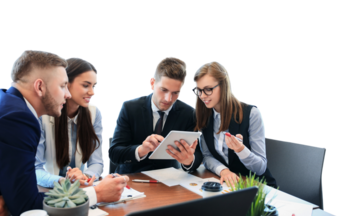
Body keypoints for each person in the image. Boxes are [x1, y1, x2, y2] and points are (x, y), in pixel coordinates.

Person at [0, 49, 128, 216]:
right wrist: (96, 193)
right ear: (40, 87)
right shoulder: (18, 118)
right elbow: (28, 209)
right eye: (62, 86)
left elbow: (17, 191)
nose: (66, 95)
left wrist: (9, 199)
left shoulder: (5, 103)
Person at [109, 55, 203, 174]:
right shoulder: (130, 108)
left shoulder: (189, 113)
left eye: (175, 93)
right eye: (164, 90)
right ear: (152, 83)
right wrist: (141, 150)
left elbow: (198, 154)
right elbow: (114, 153)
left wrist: (189, 161)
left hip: (169, 180)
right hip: (131, 178)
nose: (168, 99)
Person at [192, 60, 277, 188]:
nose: (202, 96)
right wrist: (223, 170)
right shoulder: (205, 115)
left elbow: (260, 168)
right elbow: (207, 156)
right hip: (228, 185)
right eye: (199, 90)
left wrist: (241, 150)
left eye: (208, 89)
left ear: (224, 86)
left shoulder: (251, 114)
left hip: (256, 187)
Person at [35, 56, 103, 188]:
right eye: (85, 85)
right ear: (66, 83)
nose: (92, 92)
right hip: (48, 189)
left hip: (80, 187)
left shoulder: (94, 112)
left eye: (94, 86)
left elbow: (97, 162)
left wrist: (85, 176)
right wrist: (63, 181)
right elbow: (35, 169)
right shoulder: (42, 114)